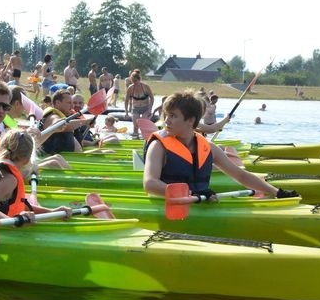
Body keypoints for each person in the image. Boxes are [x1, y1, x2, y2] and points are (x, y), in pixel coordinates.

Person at [143, 91, 299, 203]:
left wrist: (277, 192)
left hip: (200, 203)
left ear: (190, 120)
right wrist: (191, 193)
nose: (166, 121)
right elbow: (150, 184)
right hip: (166, 206)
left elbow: (241, 175)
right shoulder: (158, 146)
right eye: (166, 115)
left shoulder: (209, 148)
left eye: (173, 116)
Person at [0, 129, 71, 221]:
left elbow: (19, 203)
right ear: (27, 160)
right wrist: (15, 222)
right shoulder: (10, 180)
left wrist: (52, 212)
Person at [39, 89, 88, 154]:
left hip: (70, 156)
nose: (72, 106)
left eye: (72, 103)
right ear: (57, 103)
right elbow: (60, 125)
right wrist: (85, 122)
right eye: (69, 103)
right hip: (54, 156)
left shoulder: (64, 115)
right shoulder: (52, 116)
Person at [124, 69, 154, 137]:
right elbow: (126, 100)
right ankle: (135, 138)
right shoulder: (130, 88)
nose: (134, 82)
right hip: (135, 108)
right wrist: (126, 112)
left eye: (135, 81)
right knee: (135, 125)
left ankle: (146, 139)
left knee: (143, 124)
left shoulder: (145, 87)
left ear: (139, 79)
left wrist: (150, 109)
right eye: (132, 81)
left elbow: (152, 98)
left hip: (145, 108)